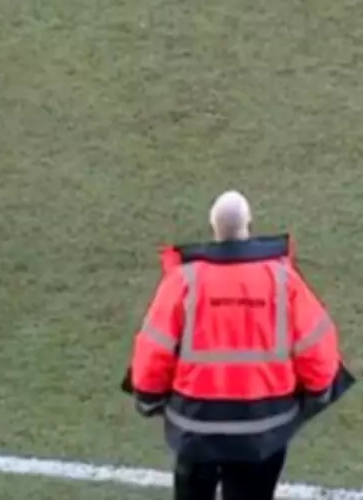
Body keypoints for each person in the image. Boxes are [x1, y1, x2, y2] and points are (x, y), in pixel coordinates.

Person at [123, 190, 354, 500]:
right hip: (264, 427)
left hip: (196, 425)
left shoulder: (183, 281)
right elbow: (318, 352)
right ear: (250, 225)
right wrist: (318, 393)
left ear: (213, 229)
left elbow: (153, 352)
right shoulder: (283, 280)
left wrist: (148, 400)